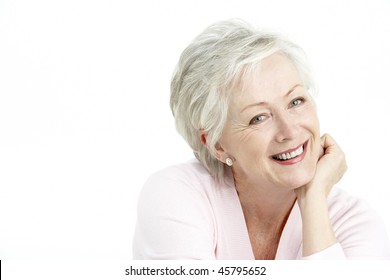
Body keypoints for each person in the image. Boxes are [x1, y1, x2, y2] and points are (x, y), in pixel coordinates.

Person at [133, 19, 390, 260]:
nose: (289, 131)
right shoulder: (176, 195)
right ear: (216, 144)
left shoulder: (356, 223)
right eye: (259, 118)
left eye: (296, 101)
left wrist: (312, 200)